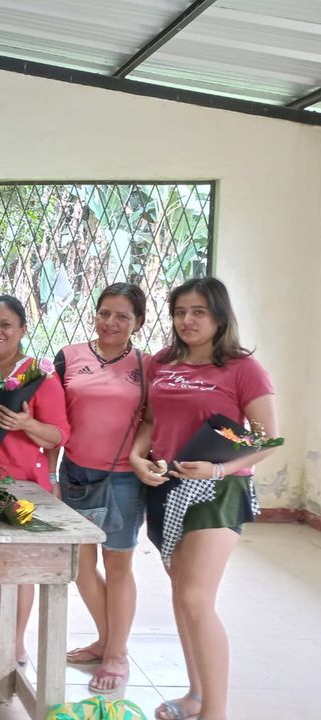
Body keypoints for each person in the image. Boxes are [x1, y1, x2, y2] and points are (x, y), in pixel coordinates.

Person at [129, 278, 278, 720]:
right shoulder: (162, 362)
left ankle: (216, 711)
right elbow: (150, 421)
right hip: (165, 486)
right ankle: (195, 695)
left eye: (198, 312)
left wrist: (219, 469)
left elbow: (269, 439)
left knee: (195, 598)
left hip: (218, 490)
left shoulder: (243, 367)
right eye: (180, 312)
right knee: (182, 595)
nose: (187, 320)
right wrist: (138, 457)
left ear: (219, 315)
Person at [0, 295, 69, 675]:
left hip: (26, 485)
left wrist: (26, 424)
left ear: (22, 329)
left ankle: (17, 640)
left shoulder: (39, 375)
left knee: (23, 568)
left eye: (5, 324)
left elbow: (59, 435)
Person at [52, 283, 148, 694]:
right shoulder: (69, 356)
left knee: (118, 565)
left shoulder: (147, 366)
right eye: (104, 313)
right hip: (75, 474)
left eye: (122, 316)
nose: (110, 322)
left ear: (138, 323)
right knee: (81, 566)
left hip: (125, 478)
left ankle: (116, 654)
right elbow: (53, 418)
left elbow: (152, 420)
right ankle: (108, 641)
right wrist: (50, 477)